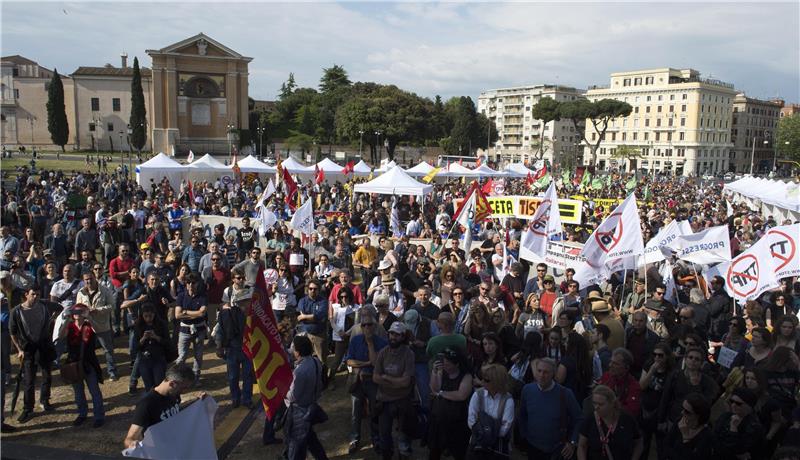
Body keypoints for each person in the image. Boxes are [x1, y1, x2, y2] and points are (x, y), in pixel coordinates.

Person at [8, 288, 59, 423]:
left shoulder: (43, 306)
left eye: (37, 294)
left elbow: (60, 308)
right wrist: (19, 349)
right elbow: (12, 332)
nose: (35, 297)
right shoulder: (17, 311)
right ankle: (28, 408)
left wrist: (53, 320)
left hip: (43, 346)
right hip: (28, 349)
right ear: (26, 295)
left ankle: (45, 400)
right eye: (32, 294)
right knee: (29, 380)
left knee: (47, 375)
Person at [520, 357, 584, 460]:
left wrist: (572, 442)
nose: (541, 375)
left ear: (553, 373)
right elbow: (522, 415)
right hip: (533, 447)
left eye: (546, 372)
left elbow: (579, 419)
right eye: (539, 371)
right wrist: (524, 435)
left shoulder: (565, 394)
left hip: (557, 449)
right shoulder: (527, 390)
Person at [123, 363, 199, 448]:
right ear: (172, 384)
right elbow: (130, 439)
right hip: (159, 450)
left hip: (174, 446)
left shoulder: (173, 394)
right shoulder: (146, 404)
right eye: (184, 388)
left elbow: (174, 410)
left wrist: (196, 401)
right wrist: (132, 444)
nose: (185, 391)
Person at [344, 309, 388, 454]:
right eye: (364, 325)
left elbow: (376, 364)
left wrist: (369, 344)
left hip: (373, 381)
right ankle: (354, 438)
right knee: (355, 411)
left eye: (370, 325)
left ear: (375, 326)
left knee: (375, 410)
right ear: (360, 327)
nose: (367, 328)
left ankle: (375, 438)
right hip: (358, 379)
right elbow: (349, 361)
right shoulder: (355, 340)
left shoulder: (381, 343)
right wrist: (365, 363)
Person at [58, 303, 105, 427]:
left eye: (80, 312)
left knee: (94, 390)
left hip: (89, 362)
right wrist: (66, 320)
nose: (77, 315)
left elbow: (99, 331)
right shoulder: (70, 326)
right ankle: (82, 414)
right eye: (75, 312)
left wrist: (89, 318)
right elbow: (60, 335)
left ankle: (99, 416)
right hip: (74, 363)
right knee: (78, 392)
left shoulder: (88, 325)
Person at [373, 322, 416, 459]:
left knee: (403, 439)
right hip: (384, 401)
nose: (393, 337)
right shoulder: (383, 352)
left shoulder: (408, 354)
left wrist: (386, 378)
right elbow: (375, 377)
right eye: (391, 333)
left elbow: (406, 382)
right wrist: (396, 381)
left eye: (397, 335)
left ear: (403, 337)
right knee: (385, 437)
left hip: (403, 401)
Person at [284, 334, 328, 460]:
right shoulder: (316, 362)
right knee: (310, 439)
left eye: (294, 348)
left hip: (299, 411)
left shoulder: (300, 371)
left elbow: (292, 396)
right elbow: (320, 385)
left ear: (298, 352)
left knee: (296, 445)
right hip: (311, 405)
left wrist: (282, 390)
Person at [577, 385, 643, 460]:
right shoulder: (590, 420)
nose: (596, 407)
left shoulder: (627, 419)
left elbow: (639, 443)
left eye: (601, 404)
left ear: (612, 403)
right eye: (594, 403)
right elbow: (582, 445)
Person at [429, 347, 473, 460]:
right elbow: (434, 388)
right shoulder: (441, 371)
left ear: (457, 364)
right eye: (444, 363)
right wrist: (434, 372)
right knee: (434, 451)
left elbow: (461, 395)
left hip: (458, 422)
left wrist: (441, 393)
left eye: (448, 364)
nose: (444, 366)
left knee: (458, 452)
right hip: (439, 420)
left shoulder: (466, 376)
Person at [214, 282, 253, 409]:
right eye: (247, 300)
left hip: (248, 349)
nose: (249, 303)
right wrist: (219, 346)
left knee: (248, 376)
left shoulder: (254, 316)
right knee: (233, 377)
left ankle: (247, 399)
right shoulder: (227, 314)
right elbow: (220, 329)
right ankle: (235, 398)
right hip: (232, 349)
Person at [76, 270, 117, 381]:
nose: (89, 281)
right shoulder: (81, 292)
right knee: (87, 350)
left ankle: (112, 371)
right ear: (83, 281)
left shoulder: (105, 290)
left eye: (90, 278)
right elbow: (77, 307)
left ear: (95, 278)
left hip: (102, 324)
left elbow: (112, 306)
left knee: (108, 349)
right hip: (87, 325)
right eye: (86, 279)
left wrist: (97, 310)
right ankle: (91, 371)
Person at [466, 363, 514, 459]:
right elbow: (471, 420)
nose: (482, 381)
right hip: (477, 443)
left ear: (497, 382)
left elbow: (505, 428)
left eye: (486, 380)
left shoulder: (508, 400)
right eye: (482, 378)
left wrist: (484, 431)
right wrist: (488, 431)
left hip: (497, 447)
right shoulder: (478, 395)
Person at [712, 388, 765, 459]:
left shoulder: (754, 427)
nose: (733, 405)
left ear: (749, 406)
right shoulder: (725, 416)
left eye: (738, 403)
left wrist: (733, 428)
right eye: (732, 401)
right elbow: (714, 437)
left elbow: (737, 449)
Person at [174, 274, 207, 386]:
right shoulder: (181, 296)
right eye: (188, 283)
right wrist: (195, 314)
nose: (191, 285)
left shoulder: (202, 296)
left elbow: (202, 312)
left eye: (193, 283)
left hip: (199, 329)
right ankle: (177, 377)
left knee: (198, 355)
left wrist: (186, 312)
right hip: (185, 329)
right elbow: (177, 315)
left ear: (197, 284)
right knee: (182, 356)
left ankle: (195, 377)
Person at [134, 303, 171, 392]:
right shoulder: (138, 325)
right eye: (145, 316)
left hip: (159, 358)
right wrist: (143, 338)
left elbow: (167, 343)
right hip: (144, 359)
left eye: (150, 316)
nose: (148, 319)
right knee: (148, 385)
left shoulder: (161, 324)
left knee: (159, 383)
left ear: (154, 314)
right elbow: (135, 347)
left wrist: (156, 337)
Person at [665, 393, 713, 460]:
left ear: (698, 415)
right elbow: (667, 444)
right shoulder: (680, 420)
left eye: (687, 411)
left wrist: (686, 438)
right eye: (682, 408)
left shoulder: (706, 436)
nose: (682, 412)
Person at [598, 348, 641, 418]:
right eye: (611, 362)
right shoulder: (606, 377)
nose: (610, 365)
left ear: (626, 367)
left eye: (615, 364)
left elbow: (631, 412)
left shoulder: (633, 386)